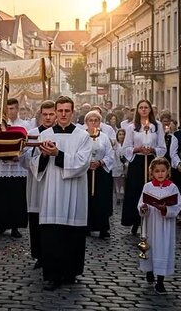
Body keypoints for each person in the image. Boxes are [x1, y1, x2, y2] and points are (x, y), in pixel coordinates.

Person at [31, 96, 91, 291]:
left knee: (71, 233)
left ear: (72, 112)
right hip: (51, 191)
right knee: (52, 234)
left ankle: (70, 272)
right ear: (55, 112)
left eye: (67, 111)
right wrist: (43, 157)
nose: (63, 114)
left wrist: (58, 155)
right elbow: (34, 165)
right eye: (60, 111)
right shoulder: (45, 134)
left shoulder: (82, 136)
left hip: (74, 192)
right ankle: (52, 275)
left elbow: (83, 163)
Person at [121, 100, 167, 235]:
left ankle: (152, 220)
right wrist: (136, 149)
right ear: (137, 110)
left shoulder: (157, 126)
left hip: (152, 162)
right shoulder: (132, 127)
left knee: (152, 191)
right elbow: (126, 147)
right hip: (137, 162)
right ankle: (136, 221)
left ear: (150, 110)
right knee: (136, 191)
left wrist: (153, 150)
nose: (144, 110)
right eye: (141, 107)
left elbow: (162, 147)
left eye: (146, 107)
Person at [138, 157, 181, 295]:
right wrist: (143, 208)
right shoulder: (148, 187)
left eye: (163, 171)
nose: (160, 174)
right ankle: (149, 270)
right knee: (150, 249)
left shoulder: (172, 187)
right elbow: (140, 203)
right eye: (157, 171)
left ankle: (160, 281)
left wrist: (166, 208)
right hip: (151, 223)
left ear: (167, 172)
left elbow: (178, 205)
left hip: (165, 226)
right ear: (152, 173)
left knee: (163, 250)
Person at [20, 100, 56, 269]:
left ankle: (51, 253)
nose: (48, 118)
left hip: (55, 183)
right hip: (36, 183)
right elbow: (24, 158)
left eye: (51, 114)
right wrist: (38, 158)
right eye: (45, 114)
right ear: (40, 115)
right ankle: (39, 255)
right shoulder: (32, 133)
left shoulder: (59, 134)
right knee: (36, 219)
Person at [0, 98, 29, 238]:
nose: (10, 111)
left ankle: (15, 226)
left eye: (12, 108)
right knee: (0, 197)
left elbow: (28, 145)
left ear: (17, 109)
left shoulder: (25, 125)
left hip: (17, 168)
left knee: (16, 198)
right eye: (7, 109)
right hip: (1, 167)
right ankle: (2, 223)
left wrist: (19, 155)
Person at [84, 111, 115, 239]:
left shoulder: (104, 137)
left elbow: (110, 154)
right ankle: (86, 226)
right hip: (86, 172)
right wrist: (87, 163)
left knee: (101, 200)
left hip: (101, 172)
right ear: (86, 123)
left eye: (96, 120)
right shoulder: (82, 136)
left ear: (99, 122)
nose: (93, 123)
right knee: (87, 199)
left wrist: (100, 162)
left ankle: (103, 228)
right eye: (90, 120)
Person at [112, 129, 127, 205]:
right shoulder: (115, 145)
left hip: (125, 166)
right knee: (117, 182)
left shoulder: (127, 145)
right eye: (120, 134)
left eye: (123, 134)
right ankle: (118, 197)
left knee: (123, 182)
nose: (122, 136)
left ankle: (123, 196)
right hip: (116, 165)